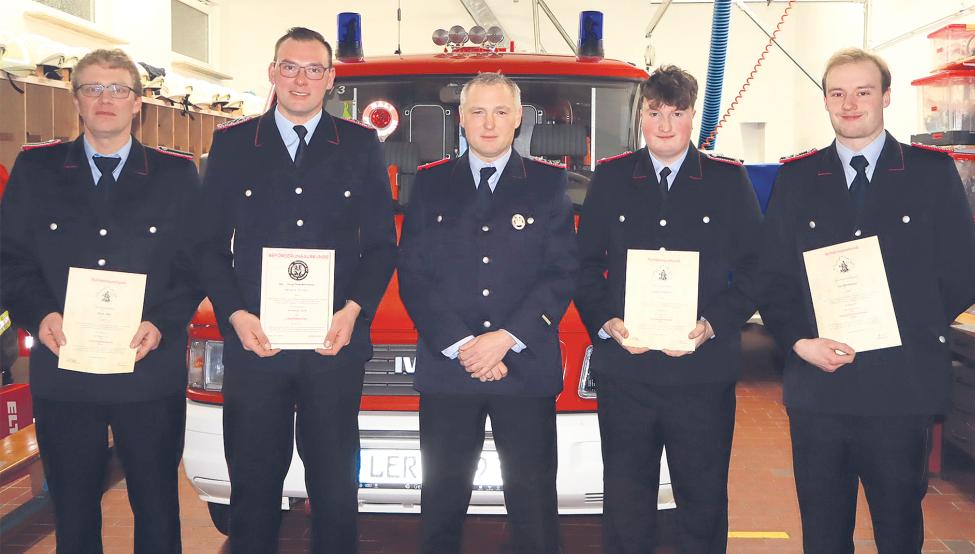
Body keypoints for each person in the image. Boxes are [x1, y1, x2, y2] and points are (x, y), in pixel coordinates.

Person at [758, 48, 975, 553]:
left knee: (899, 530)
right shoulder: (795, 181)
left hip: (900, 388)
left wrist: (904, 326)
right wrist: (799, 341)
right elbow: (771, 277)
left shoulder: (931, 173)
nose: (850, 103)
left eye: (863, 91)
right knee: (822, 532)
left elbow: (966, 270)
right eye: (837, 93)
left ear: (885, 96)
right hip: (820, 388)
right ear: (825, 101)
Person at [196, 27, 397, 552]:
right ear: (272, 72)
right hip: (255, 345)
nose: (300, 78)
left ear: (331, 79)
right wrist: (236, 314)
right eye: (290, 66)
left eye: (313, 69)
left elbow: (380, 245)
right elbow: (208, 246)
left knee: (334, 485)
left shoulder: (359, 146)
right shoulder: (234, 144)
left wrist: (354, 310)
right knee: (254, 481)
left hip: (333, 344)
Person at [0, 48, 202, 553]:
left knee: (157, 506)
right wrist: (40, 313)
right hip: (65, 372)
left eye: (118, 89)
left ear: (139, 103)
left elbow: (195, 264)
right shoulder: (36, 169)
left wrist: (161, 322)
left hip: (148, 370)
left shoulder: (175, 175)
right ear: (77, 101)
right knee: (72, 508)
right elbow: (11, 259)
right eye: (93, 88)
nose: (105, 98)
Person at [574, 65, 762, 554]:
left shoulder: (727, 181)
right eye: (654, 112)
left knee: (701, 501)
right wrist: (604, 320)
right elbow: (584, 265)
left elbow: (758, 268)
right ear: (641, 115)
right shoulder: (612, 178)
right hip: (627, 372)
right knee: (626, 500)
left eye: (676, 113)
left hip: (701, 374)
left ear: (693, 117)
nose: (664, 124)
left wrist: (714, 323)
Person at [398, 72, 577, 554]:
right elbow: (413, 274)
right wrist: (462, 345)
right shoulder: (432, 183)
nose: (490, 123)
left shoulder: (547, 182)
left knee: (534, 505)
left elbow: (560, 272)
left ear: (519, 119)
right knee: (440, 503)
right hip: (448, 370)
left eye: (501, 112)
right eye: (478, 111)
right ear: (461, 119)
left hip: (523, 367)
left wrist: (505, 338)